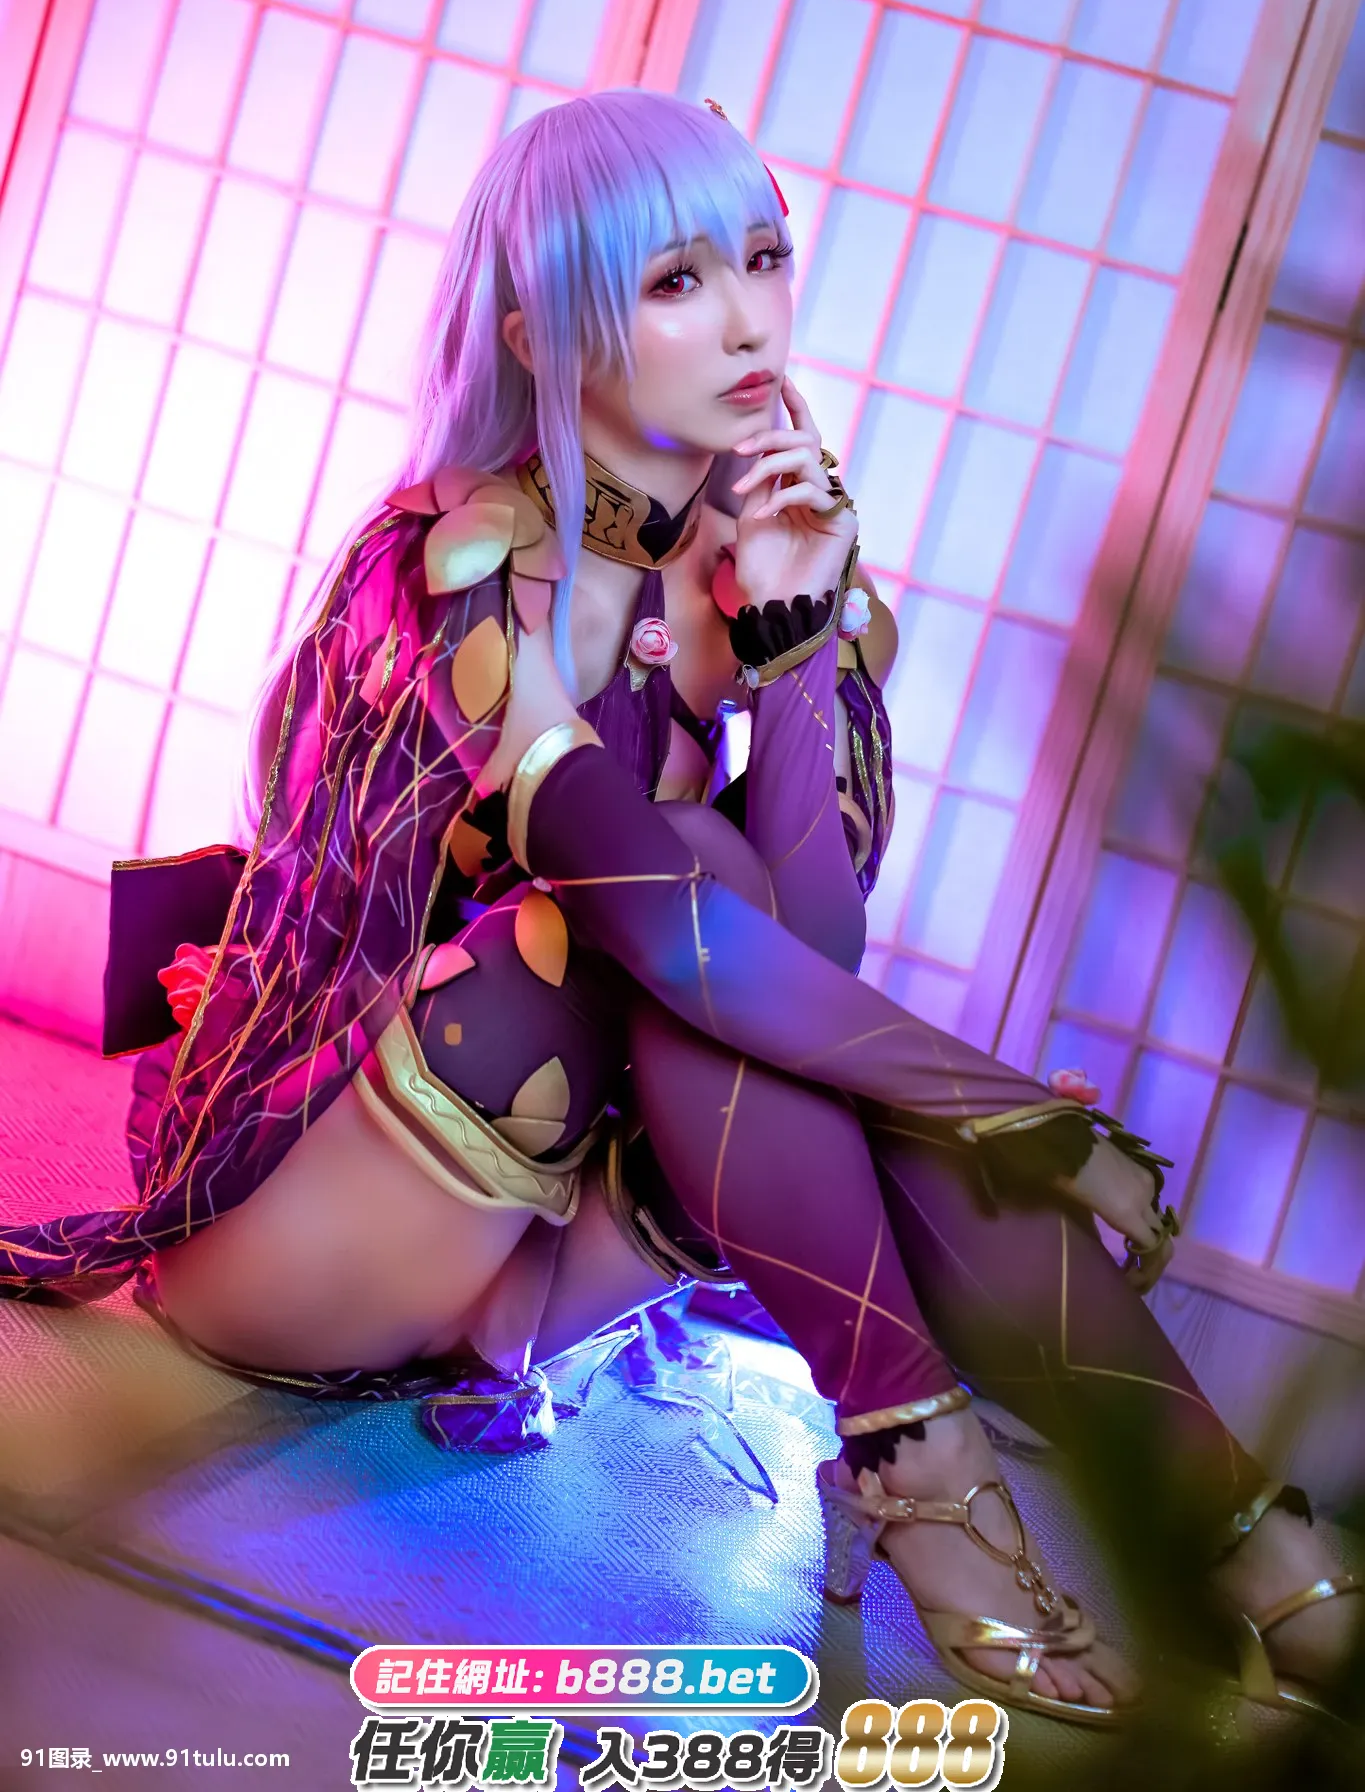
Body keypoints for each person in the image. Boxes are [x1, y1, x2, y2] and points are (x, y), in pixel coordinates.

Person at [0, 92, 1354, 1725]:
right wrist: (998, 1101)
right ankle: (957, 1497)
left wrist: (791, 656)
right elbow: (664, 930)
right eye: (676, 281)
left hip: (535, 1278)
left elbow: (814, 954)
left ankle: (1253, 1550)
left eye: (765, 259)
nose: (750, 319)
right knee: (695, 890)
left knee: (800, 1006)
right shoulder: (462, 567)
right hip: (304, 1228)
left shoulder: (767, 553)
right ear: (543, 330)